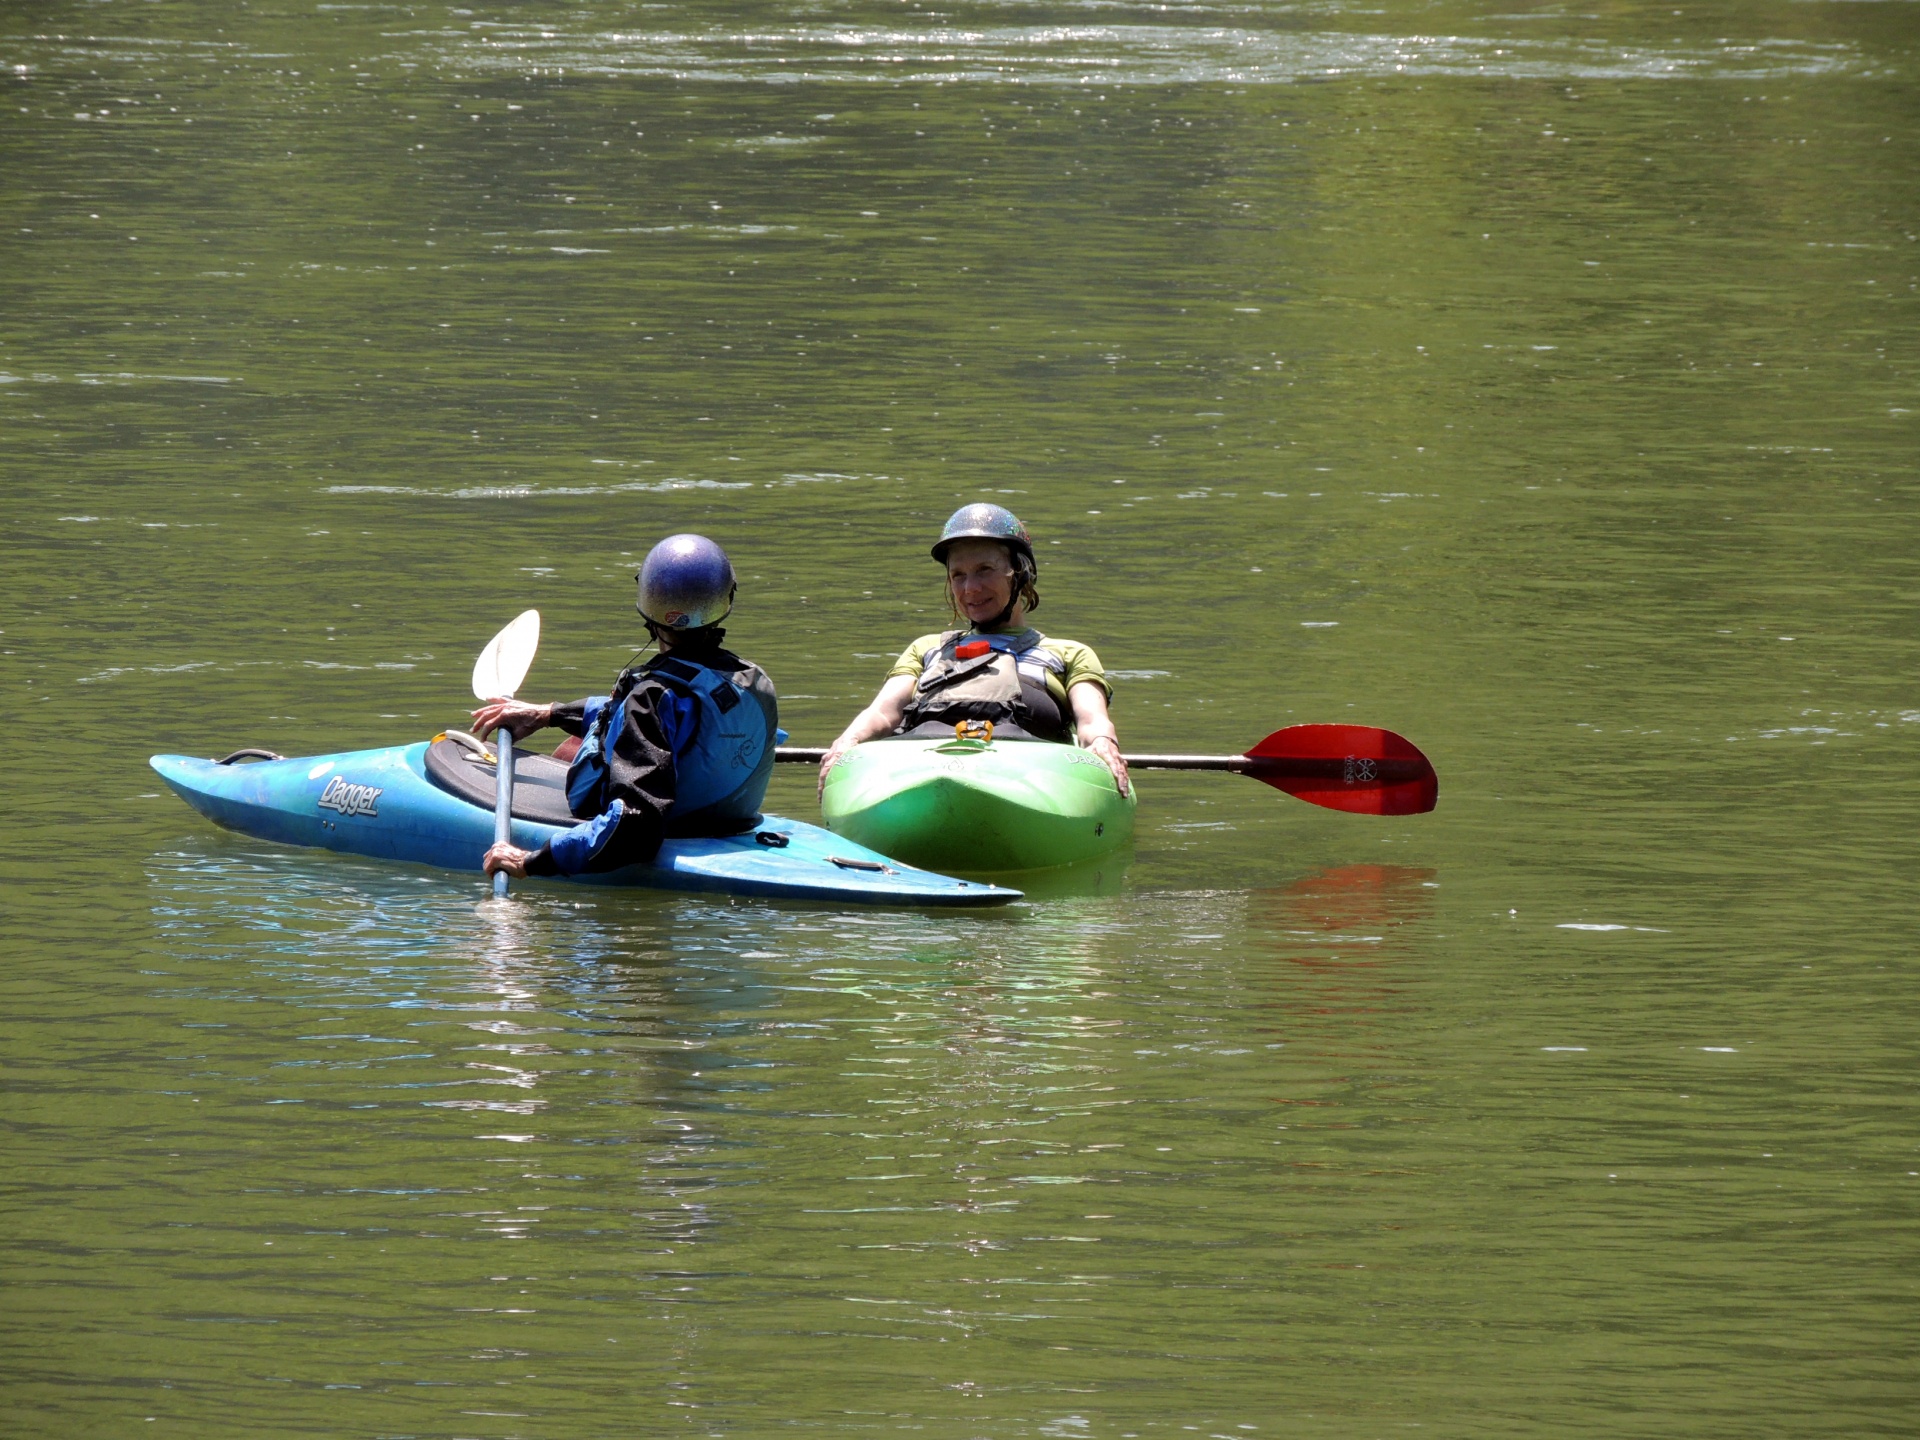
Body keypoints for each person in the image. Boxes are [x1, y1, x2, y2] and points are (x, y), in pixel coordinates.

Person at [474, 534, 779, 880]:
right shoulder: (749, 681)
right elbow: (679, 720)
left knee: (569, 753)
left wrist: (531, 861)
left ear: (648, 604)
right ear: (725, 598)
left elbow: (637, 828)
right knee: (573, 742)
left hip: (671, 832)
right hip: (734, 825)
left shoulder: (650, 697)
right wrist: (551, 714)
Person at [818, 503, 1129, 795]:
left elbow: (1091, 721)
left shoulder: (1067, 653)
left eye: (985, 570)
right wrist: (849, 741)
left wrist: (1103, 743)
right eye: (958, 575)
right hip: (919, 770)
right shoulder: (927, 649)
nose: (970, 588)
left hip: (1031, 779)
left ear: (1021, 575)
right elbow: (883, 713)